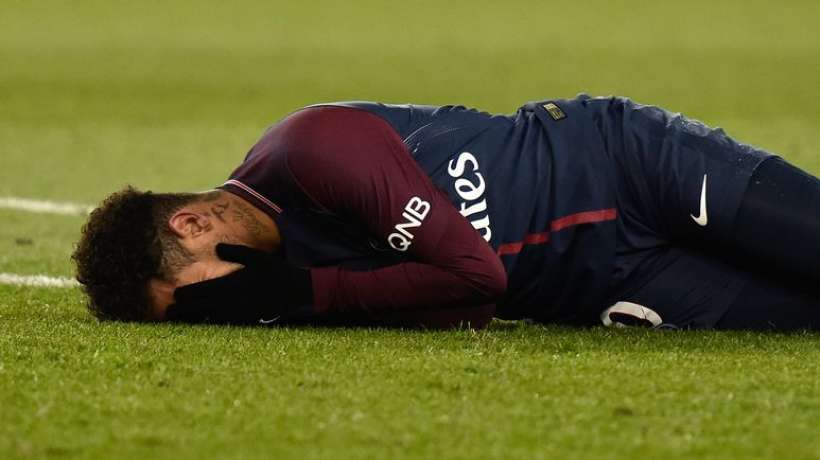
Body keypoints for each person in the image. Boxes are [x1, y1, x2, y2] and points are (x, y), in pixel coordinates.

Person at [72, 95, 820, 331]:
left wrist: (307, 292)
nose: (220, 311)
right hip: (608, 282)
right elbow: (471, 311)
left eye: (197, 297)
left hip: (636, 168)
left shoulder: (312, 149)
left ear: (193, 225)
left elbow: (475, 275)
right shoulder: (284, 287)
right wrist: (303, 296)